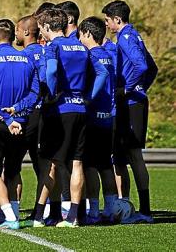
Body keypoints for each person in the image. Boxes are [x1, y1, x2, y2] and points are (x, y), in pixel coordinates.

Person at [32, 8, 108, 228]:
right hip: (81, 109)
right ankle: (74, 215)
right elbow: (102, 73)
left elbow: (52, 71)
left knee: (53, 163)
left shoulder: (53, 47)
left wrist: (52, 93)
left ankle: (41, 215)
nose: (41, 34)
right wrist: (88, 98)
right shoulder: (80, 46)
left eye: (41, 29)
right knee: (76, 162)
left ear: (47, 27)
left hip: (61, 109)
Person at [0, 19, 40, 230]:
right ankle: (13, 213)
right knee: (14, 171)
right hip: (21, 122)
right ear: (14, 37)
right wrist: (17, 111)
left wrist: (6, 117)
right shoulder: (28, 59)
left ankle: (9, 217)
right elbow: (35, 93)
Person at [103, 0, 158, 223]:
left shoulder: (125, 38)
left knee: (134, 155)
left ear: (117, 19)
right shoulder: (134, 35)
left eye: (107, 20)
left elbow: (142, 66)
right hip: (135, 100)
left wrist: (129, 88)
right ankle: (129, 205)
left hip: (131, 104)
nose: (106, 24)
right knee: (124, 155)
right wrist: (141, 87)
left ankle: (145, 211)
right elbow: (152, 67)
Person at [78, 16, 119, 224]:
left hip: (93, 116)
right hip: (109, 116)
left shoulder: (90, 56)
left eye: (80, 35)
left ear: (87, 34)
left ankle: (93, 211)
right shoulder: (110, 54)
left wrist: (87, 99)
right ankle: (111, 209)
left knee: (90, 165)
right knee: (106, 165)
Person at [14, 15, 46, 196]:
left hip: (30, 114)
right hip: (48, 112)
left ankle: (11, 209)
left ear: (26, 31)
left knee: (14, 162)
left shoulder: (23, 57)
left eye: (17, 30)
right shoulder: (46, 51)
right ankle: (49, 206)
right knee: (43, 162)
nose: (16, 34)